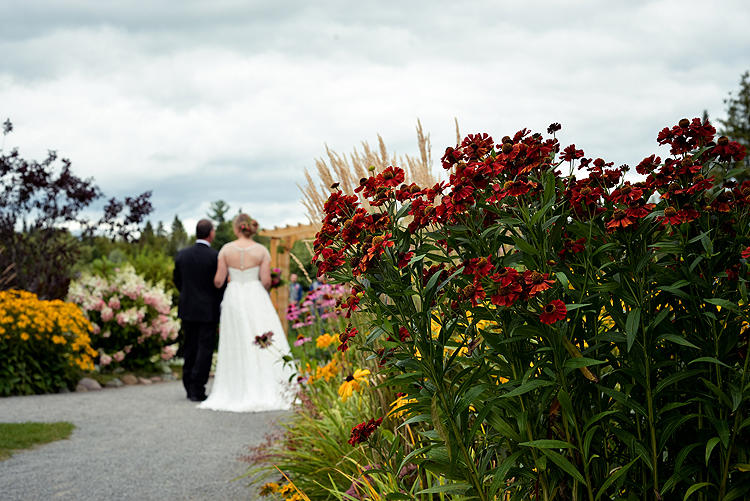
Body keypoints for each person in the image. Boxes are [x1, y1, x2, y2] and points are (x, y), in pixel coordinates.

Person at [198, 213, 295, 412]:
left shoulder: (225, 250)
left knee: (236, 340)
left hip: (233, 296)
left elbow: (218, 281)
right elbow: (266, 281)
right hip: (255, 294)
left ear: (236, 228)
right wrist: (264, 285)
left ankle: (236, 388)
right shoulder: (261, 251)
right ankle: (267, 384)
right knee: (263, 338)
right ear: (251, 229)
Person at [173, 219, 224, 402]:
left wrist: (188, 296)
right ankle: (197, 387)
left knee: (190, 347)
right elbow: (220, 285)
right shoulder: (215, 256)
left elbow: (177, 281)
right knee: (205, 349)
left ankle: (188, 385)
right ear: (210, 233)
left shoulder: (182, 255)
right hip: (208, 311)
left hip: (187, 309)